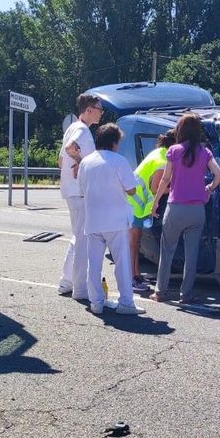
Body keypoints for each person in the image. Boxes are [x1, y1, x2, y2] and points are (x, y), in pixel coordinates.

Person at [150, 113, 220, 304]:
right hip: (197, 210)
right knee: (192, 254)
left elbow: (166, 179)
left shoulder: (174, 151)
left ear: (180, 130)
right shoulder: (205, 152)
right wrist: (209, 188)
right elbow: (218, 174)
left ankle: (161, 292)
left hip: (175, 208)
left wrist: (156, 201)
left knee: (167, 251)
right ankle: (186, 294)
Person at [78, 124, 146, 316]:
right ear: (114, 142)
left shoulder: (86, 162)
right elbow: (131, 189)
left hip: (92, 220)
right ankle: (126, 303)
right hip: (115, 221)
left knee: (94, 264)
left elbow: (82, 191)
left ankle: (96, 303)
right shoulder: (119, 161)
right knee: (122, 264)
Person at [58, 94, 103, 300]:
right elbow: (69, 150)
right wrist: (81, 162)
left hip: (71, 190)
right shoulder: (83, 130)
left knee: (77, 236)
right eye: (99, 109)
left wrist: (73, 165)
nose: (101, 113)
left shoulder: (72, 128)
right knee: (82, 239)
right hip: (79, 191)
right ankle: (79, 287)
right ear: (89, 110)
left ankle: (66, 281)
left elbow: (60, 159)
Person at [127, 129, 177, 292]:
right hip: (133, 205)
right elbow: (156, 188)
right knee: (133, 244)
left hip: (134, 204)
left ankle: (136, 274)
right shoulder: (163, 162)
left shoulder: (159, 153)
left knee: (135, 243)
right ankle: (131, 279)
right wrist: (175, 188)